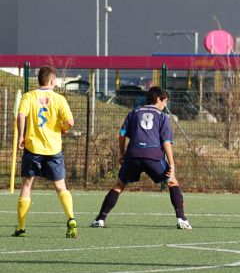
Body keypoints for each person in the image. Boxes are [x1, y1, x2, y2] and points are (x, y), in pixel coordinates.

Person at [90, 86, 191, 230]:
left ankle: (100, 219)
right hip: (153, 156)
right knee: (172, 182)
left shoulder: (134, 112)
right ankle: (182, 219)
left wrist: (122, 153)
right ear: (158, 99)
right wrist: (172, 164)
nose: (165, 105)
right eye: (164, 101)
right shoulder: (162, 117)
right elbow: (166, 142)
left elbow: (122, 134)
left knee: (119, 185)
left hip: (133, 155)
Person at [14, 66, 77, 238]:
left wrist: (21, 136)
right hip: (53, 148)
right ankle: (71, 218)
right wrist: (63, 129)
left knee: (27, 185)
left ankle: (21, 228)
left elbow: (21, 115)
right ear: (52, 81)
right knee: (60, 186)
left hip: (33, 147)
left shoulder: (29, 96)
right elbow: (70, 122)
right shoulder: (59, 99)